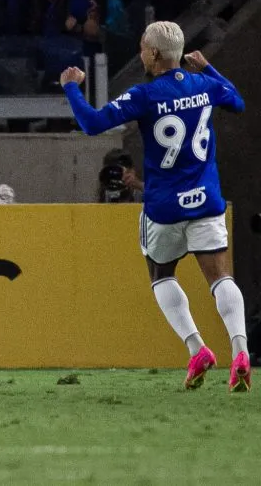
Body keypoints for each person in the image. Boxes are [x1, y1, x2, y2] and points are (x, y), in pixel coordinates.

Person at [61, 21, 250, 392]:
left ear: (155, 54)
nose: (140, 52)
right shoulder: (205, 86)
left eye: (143, 47)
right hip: (206, 201)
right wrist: (208, 67)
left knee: (162, 273)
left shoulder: (145, 95)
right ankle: (240, 350)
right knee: (221, 277)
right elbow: (237, 101)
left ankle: (197, 348)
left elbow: (93, 123)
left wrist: (71, 87)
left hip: (164, 206)